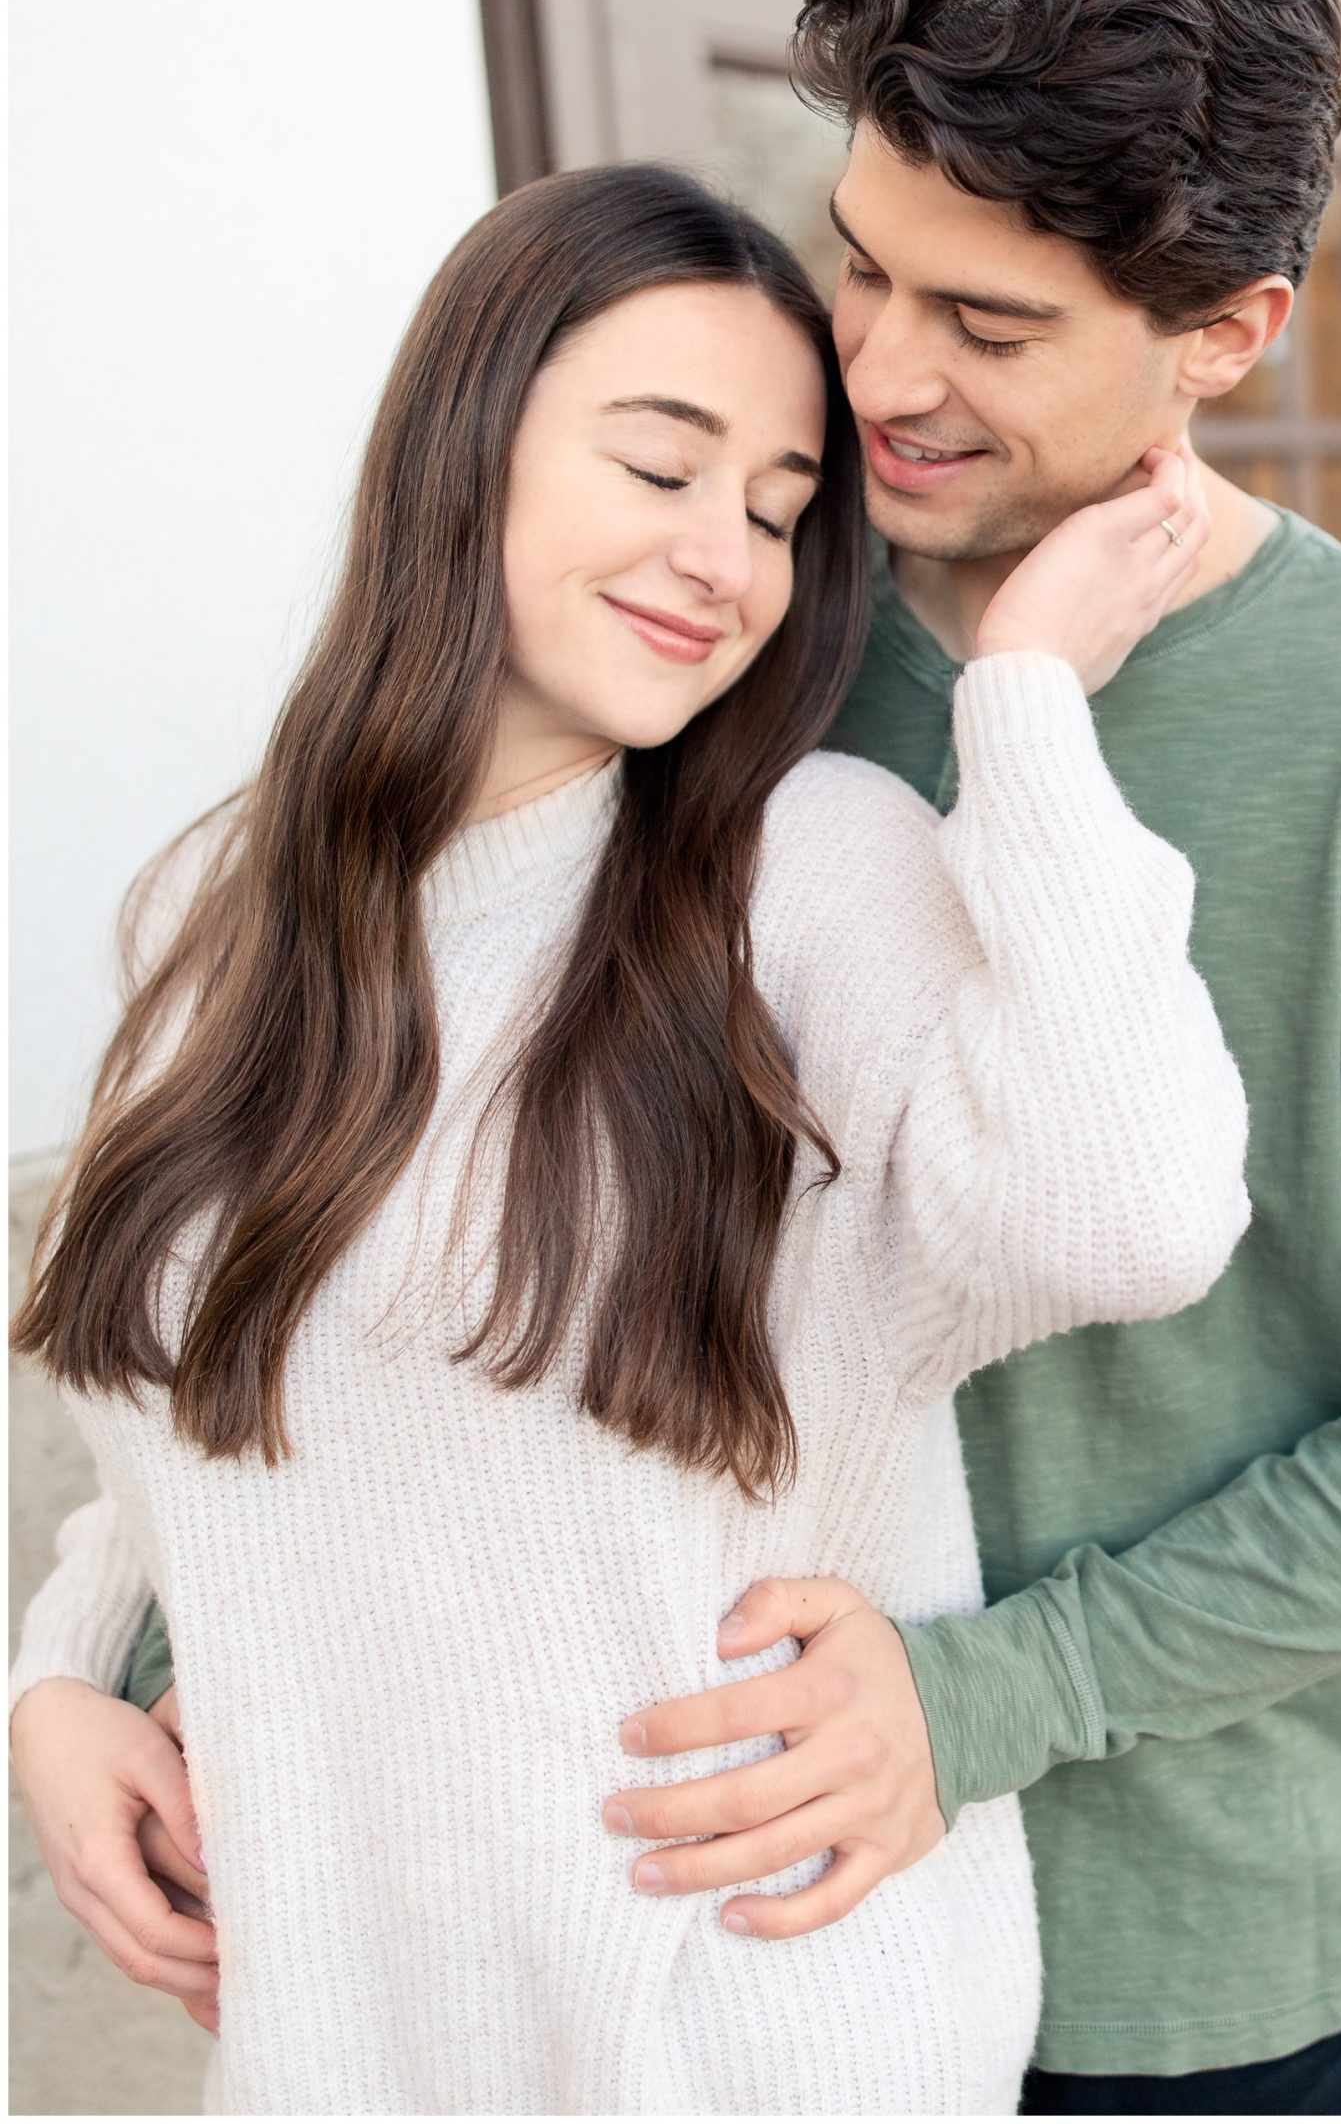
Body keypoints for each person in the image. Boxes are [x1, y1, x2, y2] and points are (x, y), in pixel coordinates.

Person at [16, 0, 1341, 2116]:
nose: (874, 372)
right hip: (666, 1935)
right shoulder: (730, 639)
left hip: (1171, 1941)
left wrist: (976, 1694)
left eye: (985, 324)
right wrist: (129, 1652)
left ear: (1228, 332)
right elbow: (387, 1225)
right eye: (863, 264)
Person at [10, 160, 1252, 2115]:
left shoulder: (807, 875)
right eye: (661, 465)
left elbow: (1139, 1209)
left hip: (733, 2045)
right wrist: (62, 1682)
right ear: (468, 444)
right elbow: (173, 1412)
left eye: (775, 511)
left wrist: (1024, 708)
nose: (724, 557)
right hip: (344, 2049)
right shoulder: (220, 913)